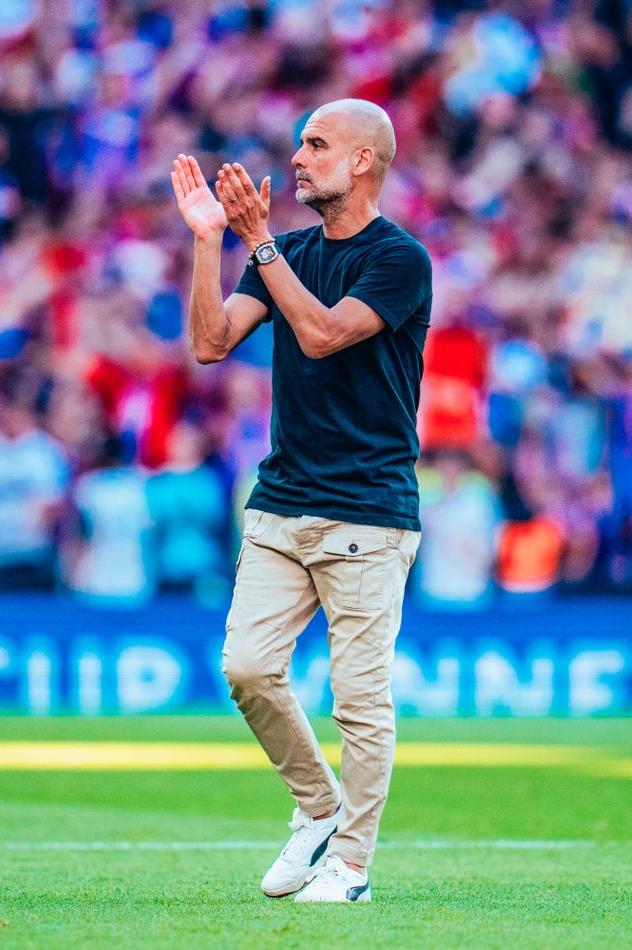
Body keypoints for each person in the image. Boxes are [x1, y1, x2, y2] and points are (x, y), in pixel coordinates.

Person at [171, 99, 432, 903]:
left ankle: (350, 867)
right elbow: (210, 345)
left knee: (358, 698)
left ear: (363, 161)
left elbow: (320, 333)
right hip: (282, 500)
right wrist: (212, 241)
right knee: (247, 668)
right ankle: (318, 808)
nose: (298, 156)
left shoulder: (400, 259)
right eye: (299, 143)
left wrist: (257, 242)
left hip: (368, 510)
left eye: (317, 144)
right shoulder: (277, 250)